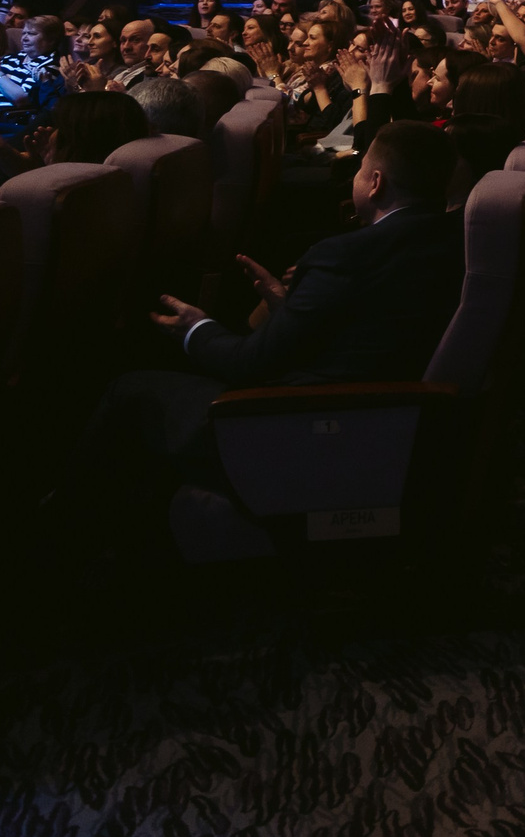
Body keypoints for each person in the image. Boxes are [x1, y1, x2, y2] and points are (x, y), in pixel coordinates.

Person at [83, 123, 465, 532]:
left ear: (375, 183)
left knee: (127, 389)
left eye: (359, 170)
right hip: (391, 425)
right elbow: (373, 325)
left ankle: (75, 532)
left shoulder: (346, 255)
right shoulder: (457, 239)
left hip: (304, 426)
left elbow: (251, 364)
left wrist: (198, 328)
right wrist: (289, 307)